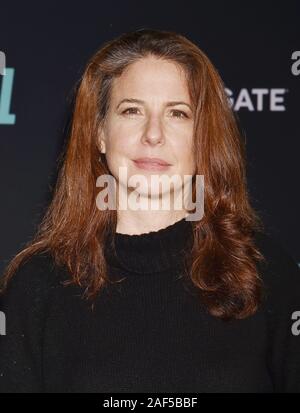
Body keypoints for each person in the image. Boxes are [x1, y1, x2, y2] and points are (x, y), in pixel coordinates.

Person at [0, 28, 299, 393]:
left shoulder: (266, 275)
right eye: (131, 111)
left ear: (203, 136)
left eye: (177, 113)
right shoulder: (37, 286)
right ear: (100, 133)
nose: (153, 134)